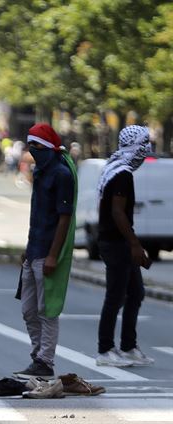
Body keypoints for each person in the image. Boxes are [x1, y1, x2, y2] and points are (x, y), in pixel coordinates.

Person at [14, 123, 76, 380]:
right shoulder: (40, 172)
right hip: (33, 250)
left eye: (37, 146)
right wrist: (28, 249)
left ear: (49, 148)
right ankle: (38, 356)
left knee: (47, 310)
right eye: (30, 146)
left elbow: (64, 218)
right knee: (29, 310)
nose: (33, 150)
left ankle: (45, 360)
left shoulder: (61, 174)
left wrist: (52, 255)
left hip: (48, 253)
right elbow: (37, 216)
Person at [95, 125, 155, 367]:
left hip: (116, 240)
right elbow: (117, 212)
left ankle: (128, 346)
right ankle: (105, 350)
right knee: (116, 295)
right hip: (115, 242)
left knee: (136, 292)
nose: (146, 152)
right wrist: (135, 245)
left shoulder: (114, 167)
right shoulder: (122, 174)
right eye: (144, 146)